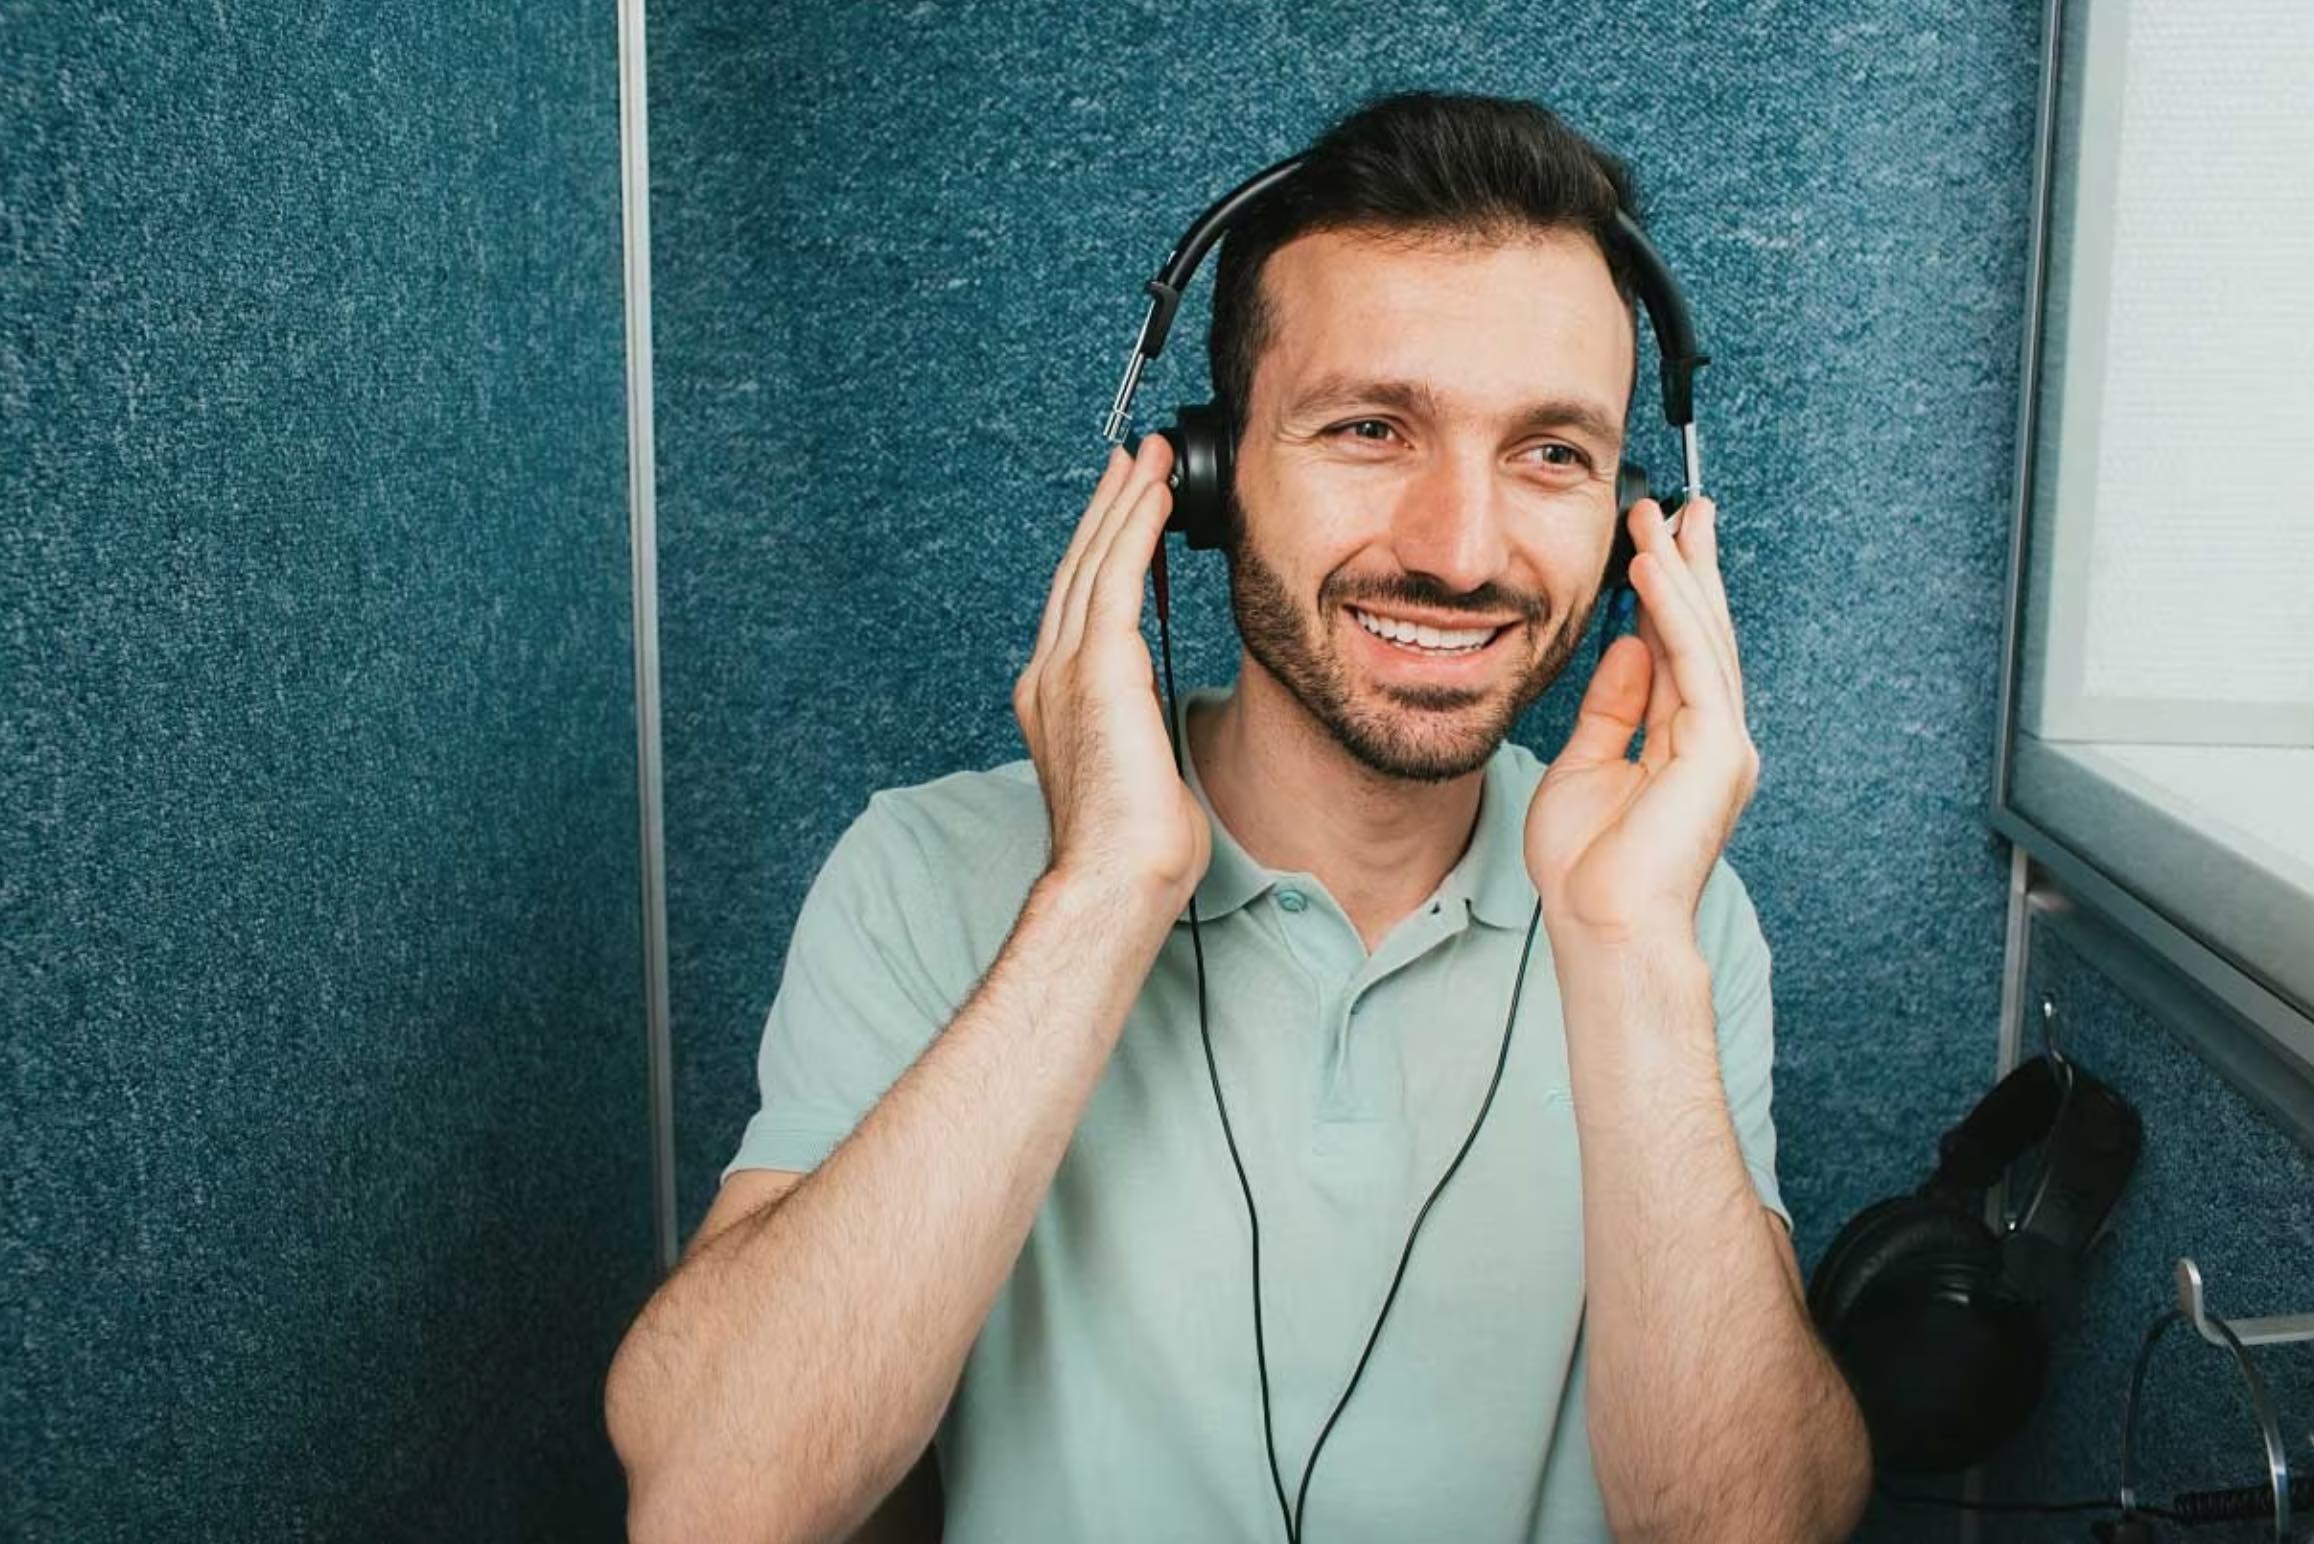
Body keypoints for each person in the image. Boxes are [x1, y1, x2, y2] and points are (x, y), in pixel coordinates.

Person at [605, 90, 1873, 1544]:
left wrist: (1630, 951)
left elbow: (1747, 1528)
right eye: (1368, 428)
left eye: (1549, 454)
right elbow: (711, 1503)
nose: (1460, 552)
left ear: (1638, 518)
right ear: (1196, 484)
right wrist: (1102, 891)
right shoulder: (931, 868)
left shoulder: (1663, 905)